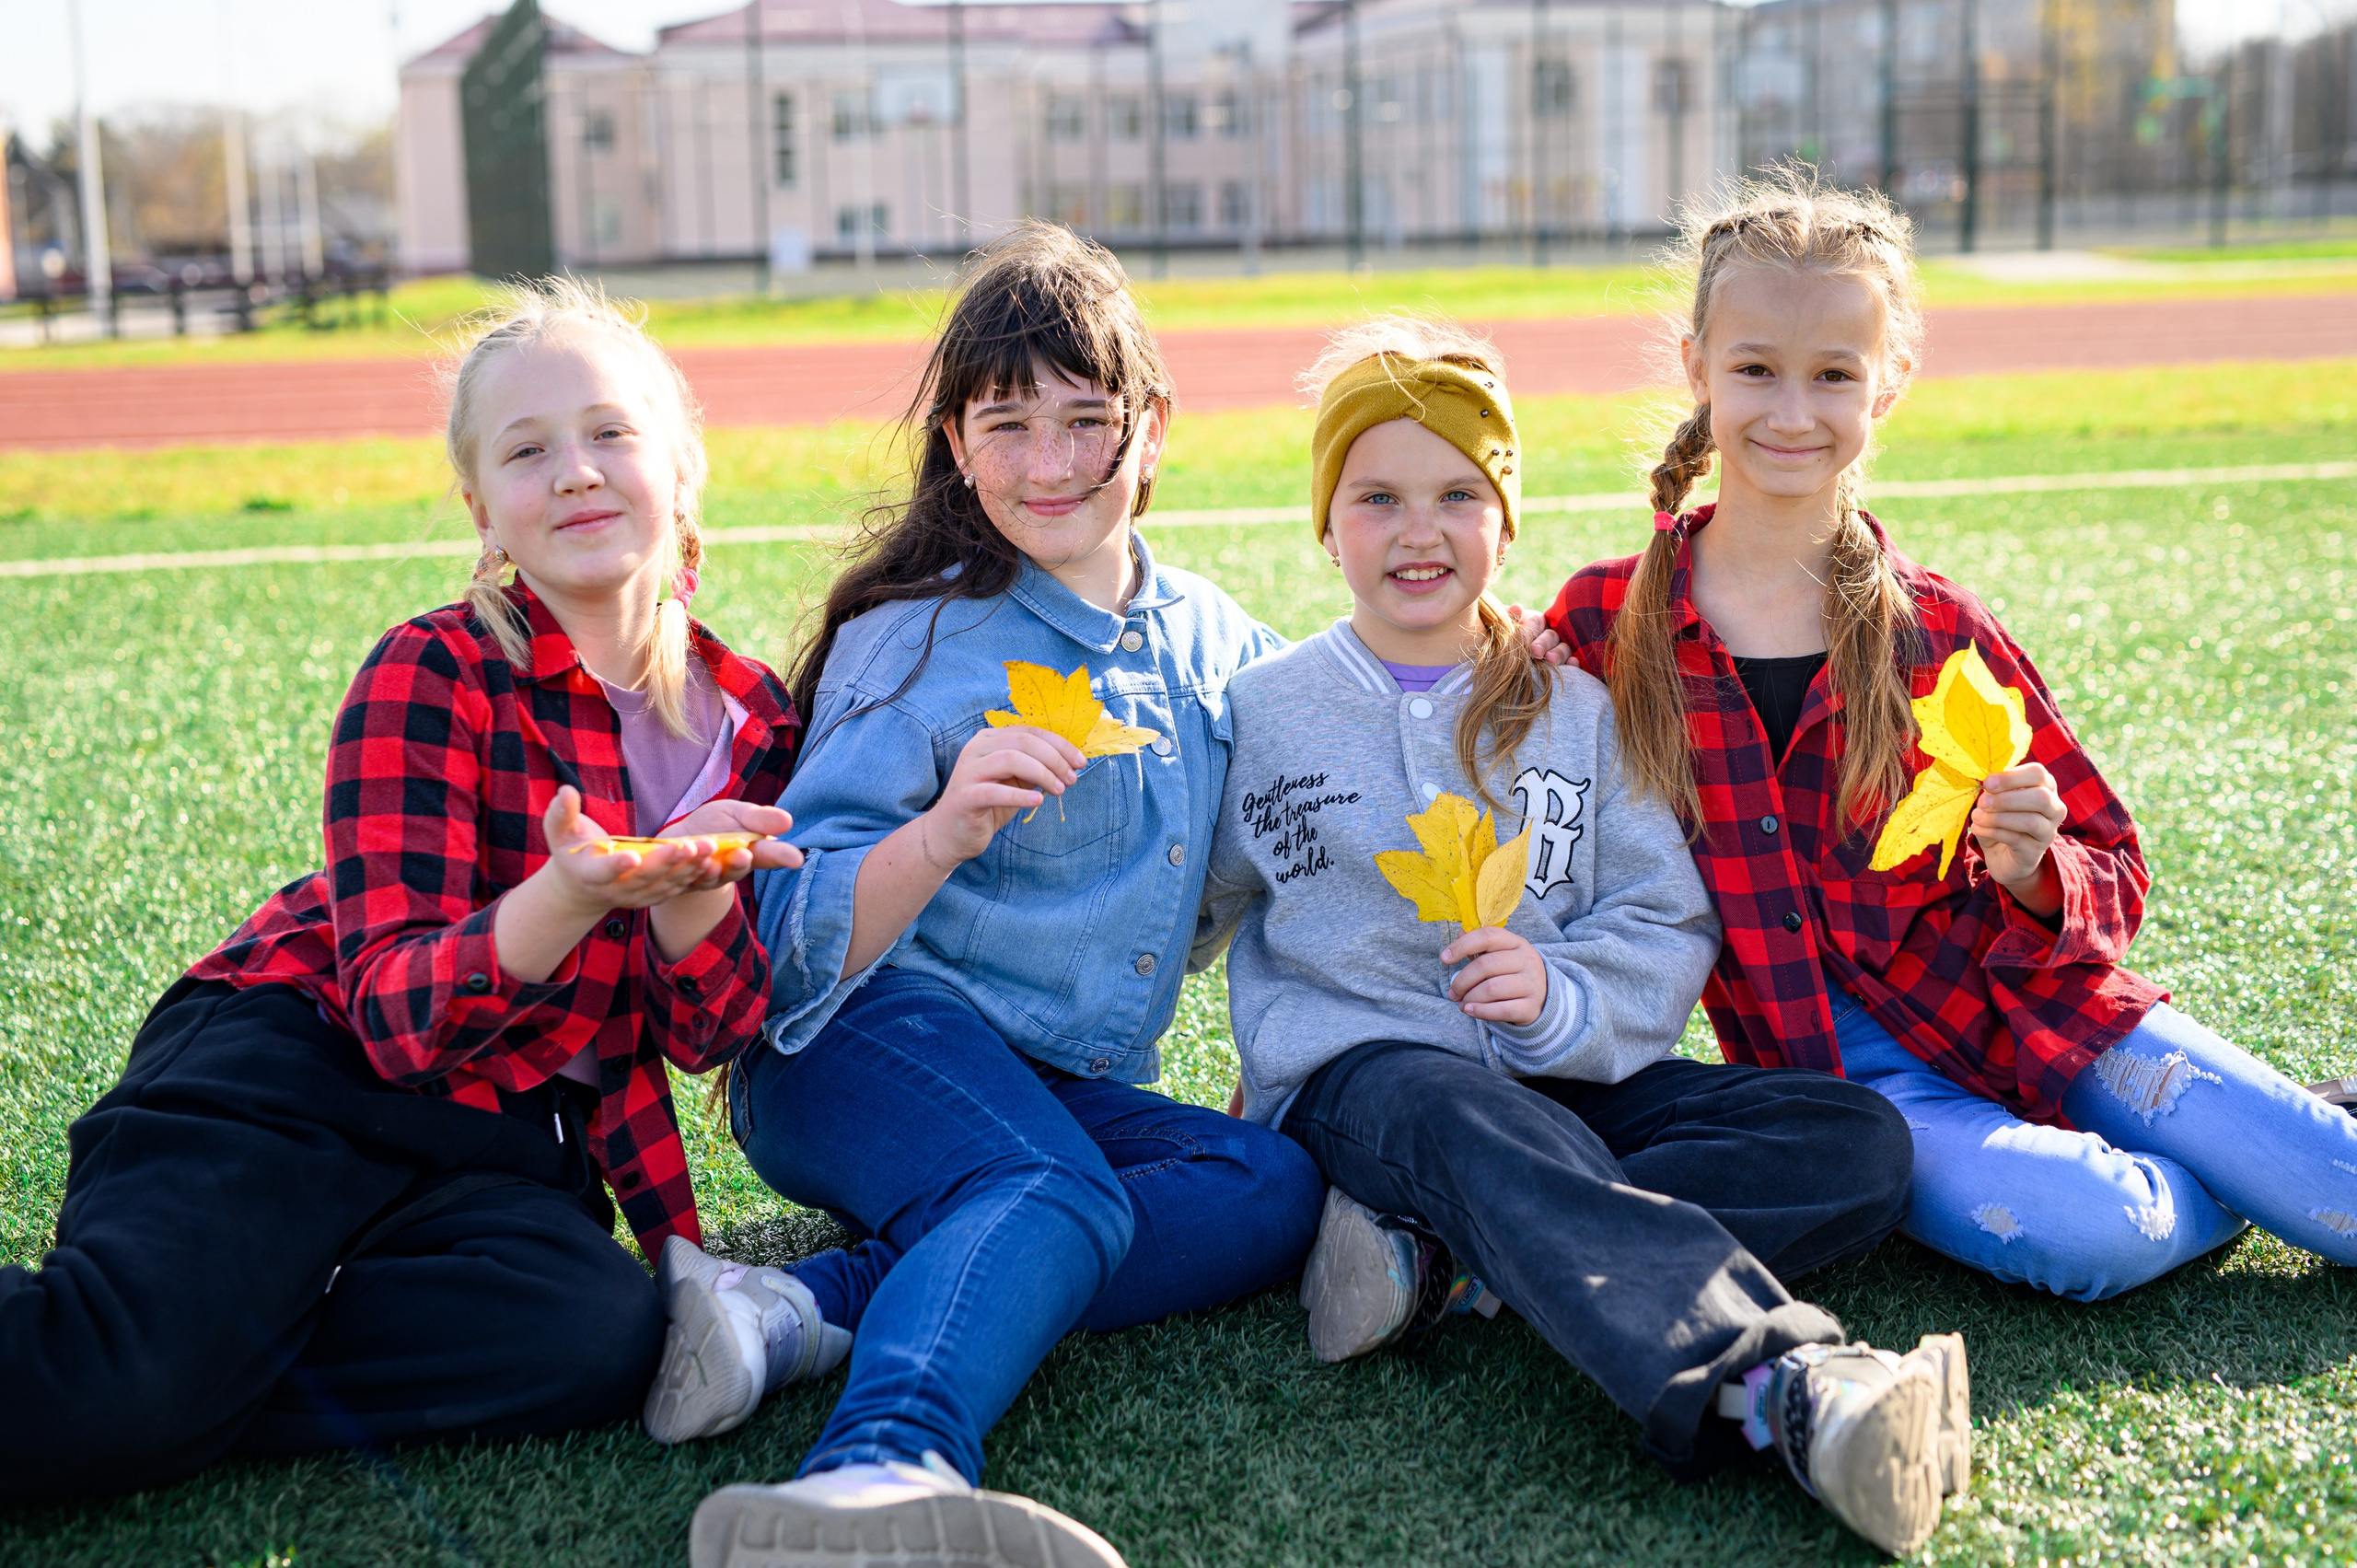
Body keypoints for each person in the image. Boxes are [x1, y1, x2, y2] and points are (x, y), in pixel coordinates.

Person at [0, 278, 805, 1505]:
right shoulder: (433, 666)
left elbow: (708, 1031)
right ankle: (160, 1352)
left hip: (505, 1145)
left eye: (610, 432)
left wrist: (689, 888)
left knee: (593, 1335)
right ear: (485, 507)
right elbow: (391, 1014)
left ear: (683, 470)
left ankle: (218, 1339)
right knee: (96, 1394)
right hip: (298, 1068)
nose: (577, 471)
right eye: (529, 451)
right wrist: (571, 893)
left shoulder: (754, 719)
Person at [1190, 314, 1973, 1557]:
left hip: (1567, 1072)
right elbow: (1186, 904)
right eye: (1377, 496)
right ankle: (1783, 1386)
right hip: (1372, 1085)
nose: (1418, 530)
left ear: (1506, 517)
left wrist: (1558, 992)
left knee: (1855, 1138)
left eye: (1458, 493)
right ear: (1326, 523)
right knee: (1462, 1117)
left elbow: (1662, 911)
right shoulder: (1263, 710)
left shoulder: (1573, 703)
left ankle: (1442, 1257)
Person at [1541, 167, 2357, 1303]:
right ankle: (2240, 1156)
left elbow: (2112, 865)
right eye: (1755, 370)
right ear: (1697, 370)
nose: (1791, 410)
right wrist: (1508, 666)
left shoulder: (1935, 628)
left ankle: (2278, 1136)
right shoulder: (1600, 624)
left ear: (1887, 386)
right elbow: (1505, 757)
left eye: (1833, 374)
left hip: (2050, 1015)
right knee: (2096, 1233)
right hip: (1857, 1087)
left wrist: (2031, 869)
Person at [668, 224, 1324, 1568]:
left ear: (1150, 431)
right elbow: (786, 950)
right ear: (958, 444)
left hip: (1052, 1081)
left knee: (1267, 1181)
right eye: (1006, 422)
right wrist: (946, 830)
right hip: (855, 1045)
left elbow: (1315, 805)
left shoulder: (1216, 639)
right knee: (1051, 1186)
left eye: (1087, 421)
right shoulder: (915, 633)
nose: (1047, 463)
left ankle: (808, 1301)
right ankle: (878, 1467)